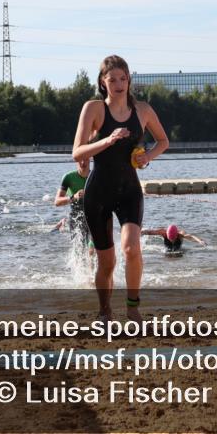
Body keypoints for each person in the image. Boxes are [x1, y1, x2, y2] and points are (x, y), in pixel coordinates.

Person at [72, 55, 170, 323]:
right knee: (107, 262)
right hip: (98, 194)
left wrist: (147, 157)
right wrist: (108, 140)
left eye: (123, 78)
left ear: (129, 80)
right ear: (103, 82)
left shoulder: (143, 110)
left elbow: (163, 141)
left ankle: (133, 308)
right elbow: (77, 152)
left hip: (129, 191)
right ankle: (105, 310)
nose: (118, 84)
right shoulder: (93, 108)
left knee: (131, 248)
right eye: (112, 79)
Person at [54, 157, 93, 251]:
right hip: (76, 217)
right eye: (80, 159)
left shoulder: (96, 176)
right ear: (76, 160)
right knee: (79, 250)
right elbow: (57, 202)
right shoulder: (69, 177)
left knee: (92, 248)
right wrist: (73, 197)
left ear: (90, 159)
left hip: (93, 216)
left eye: (85, 159)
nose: (83, 162)